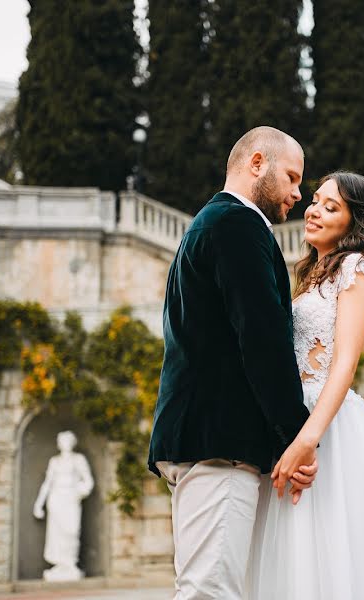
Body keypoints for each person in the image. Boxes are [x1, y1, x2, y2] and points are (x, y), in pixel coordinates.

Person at [246, 172, 364, 599]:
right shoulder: (313, 273)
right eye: (315, 200)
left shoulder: (355, 268)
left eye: (331, 207)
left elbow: (344, 365)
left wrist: (307, 438)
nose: (312, 210)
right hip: (295, 417)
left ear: (356, 225)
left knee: (330, 547)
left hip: (326, 425)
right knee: (296, 550)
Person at [147, 126, 319, 599]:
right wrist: (297, 436)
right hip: (219, 441)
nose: (297, 194)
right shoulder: (237, 226)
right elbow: (262, 340)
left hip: (205, 436)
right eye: (291, 177)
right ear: (257, 163)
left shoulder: (210, 224)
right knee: (210, 591)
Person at [33, 430, 94, 582]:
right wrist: (38, 504)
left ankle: (70, 562)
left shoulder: (78, 459)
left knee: (72, 530)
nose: (65, 444)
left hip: (71, 498)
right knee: (56, 533)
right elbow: (47, 483)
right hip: (56, 499)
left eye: (67, 441)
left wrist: (80, 492)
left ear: (72, 443)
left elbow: (88, 481)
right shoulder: (55, 461)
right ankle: (60, 564)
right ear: (59, 444)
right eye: (62, 441)